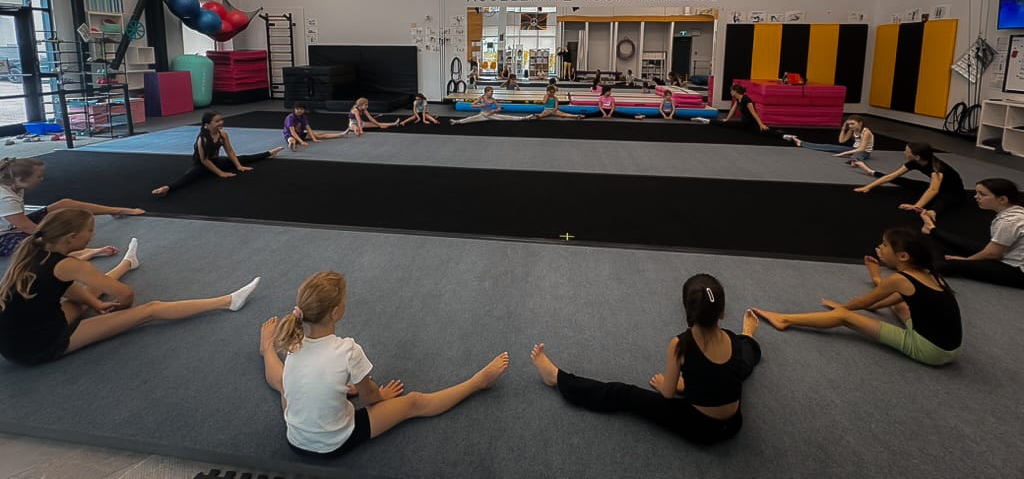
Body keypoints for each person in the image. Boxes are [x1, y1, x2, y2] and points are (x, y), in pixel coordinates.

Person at [259, 270, 509, 457]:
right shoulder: (348, 350)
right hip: (333, 443)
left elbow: (312, 374)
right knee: (415, 402)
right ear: (335, 312)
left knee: (285, 384)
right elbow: (371, 399)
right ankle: (478, 382)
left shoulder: (293, 342)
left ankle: (267, 348)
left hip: (295, 439)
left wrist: (345, 389)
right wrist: (383, 394)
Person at [0, 208, 260, 365]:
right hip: (37, 345)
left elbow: (66, 290)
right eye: (89, 231)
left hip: (14, 339)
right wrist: (121, 311)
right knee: (150, 310)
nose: (92, 235)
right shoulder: (70, 265)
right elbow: (125, 294)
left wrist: (96, 304)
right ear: (71, 238)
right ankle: (227, 301)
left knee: (82, 299)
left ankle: (127, 263)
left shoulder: (34, 249)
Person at [529, 274, 762, 444]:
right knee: (739, 363)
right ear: (722, 312)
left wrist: (665, 384)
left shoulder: (680, 345)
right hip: (733, 424)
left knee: (623, 394)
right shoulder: (731, 339)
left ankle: (557, 378)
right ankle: (749, 335)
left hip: (700, 427)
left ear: (687, 311)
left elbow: (668, 394)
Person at [753, 228, 962, 367]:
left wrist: (842, 307)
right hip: (950, 348)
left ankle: (784, 319)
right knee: (901, 305)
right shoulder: (929, 273)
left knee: (844, 317)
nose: (880, 248)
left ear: (903, 257)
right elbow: (896, 298)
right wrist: (875, 292)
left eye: (885, 245)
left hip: (930, 350)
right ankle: (874, 278)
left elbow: (865, 302)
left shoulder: (900, 279)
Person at [0, 157, 143, 258]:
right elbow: (27, 228)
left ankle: (117, 210)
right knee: (32, 247)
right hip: (3, 236)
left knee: (64, 204)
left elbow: (22, 223)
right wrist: (60, 238)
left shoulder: (16, 186)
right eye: (38, 177)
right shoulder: (5, 198)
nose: (42, 179)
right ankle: (81, 253)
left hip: (13, 226)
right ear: (20, 179)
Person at [921, 178, 1024, 288]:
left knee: (955, 265)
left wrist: (967, 260)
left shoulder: (1009, 221)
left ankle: (912, 270)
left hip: (1018, 272)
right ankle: (932, 230)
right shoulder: (1016, 211)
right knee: (967, 245)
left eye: (982, 194)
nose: (976, 197)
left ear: (1002, 199)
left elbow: (993, 254)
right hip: (1007, 255)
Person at [151, 112, 284, 196]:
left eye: (221, 120)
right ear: (207, 125)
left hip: (216, 161)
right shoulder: (202, 139)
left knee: (243, 158)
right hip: (202, 165)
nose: (221, 123)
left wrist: (238, 166)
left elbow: (230, 151)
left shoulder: (223, 134)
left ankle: (269, 153)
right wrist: (221, 173)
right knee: (189, 177)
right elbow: (204, 160)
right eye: (217, 121)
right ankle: (167, 188)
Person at [853, 142, 965, 221]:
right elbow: (892, 176)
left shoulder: (937, 168)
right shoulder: (914, 162)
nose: (904, 153)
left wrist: (915, 206)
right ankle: (872, 172)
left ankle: (933, 213)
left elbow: (933, 190)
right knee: (903, 181)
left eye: (907, 151)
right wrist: (868, 187)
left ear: (917, 157)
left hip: (954, 192)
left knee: (942, 199)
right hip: (938, 187)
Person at [782, 116, 875, 164]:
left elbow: (862, 148)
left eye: (853, 124)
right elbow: (841, 141)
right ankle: (801, 142)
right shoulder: (852, 130)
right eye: (849, 124)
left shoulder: (866, 132)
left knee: (858, 155)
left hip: (864, 152)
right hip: (852, 149)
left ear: (860, 123)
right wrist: (843, 128)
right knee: (827, 146)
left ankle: (854, 160)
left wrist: (844, 153)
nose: (850, 126)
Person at [452, 87, 530, 125]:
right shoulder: (481, 98)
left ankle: (523, 118)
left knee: (507, 117)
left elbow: (499, 108)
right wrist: (481, 105)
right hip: (482, 114)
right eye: (491, 92)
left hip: (491, 114)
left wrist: (495, 110)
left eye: (493, 92)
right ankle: (457, 121)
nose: (492, 93)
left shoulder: (493, 99)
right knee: (470, 119)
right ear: (486, 92)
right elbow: (472, 105)